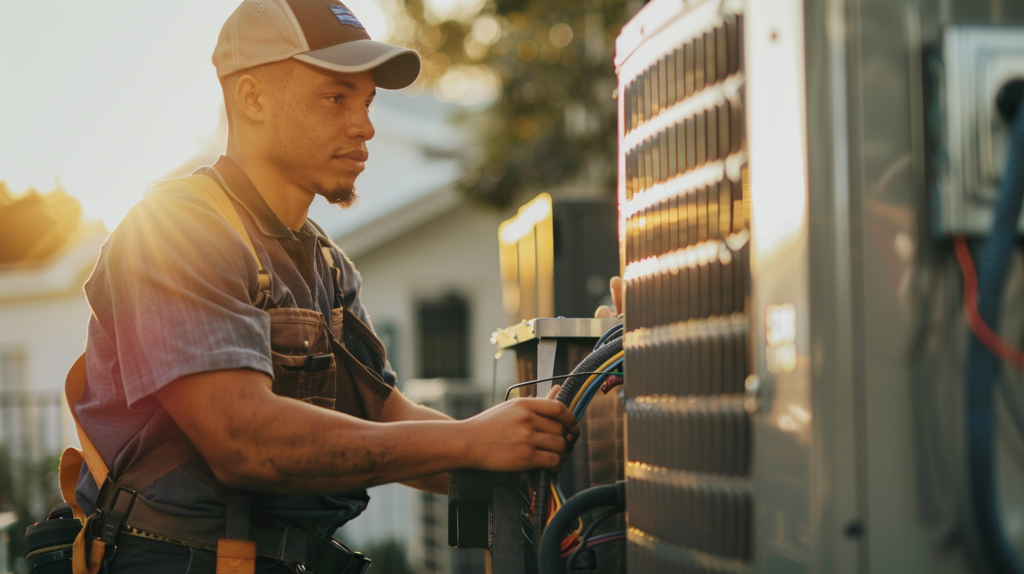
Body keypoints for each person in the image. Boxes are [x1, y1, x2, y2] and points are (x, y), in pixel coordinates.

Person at [70, 1, 596, 571]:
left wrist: (519, 464)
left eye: (367, 102)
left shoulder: (324, 262)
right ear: (252, 98)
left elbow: (384, 418)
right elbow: (244, 439)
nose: (365, 126)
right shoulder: (177, 229)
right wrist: (471, 441)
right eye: (336, 97)